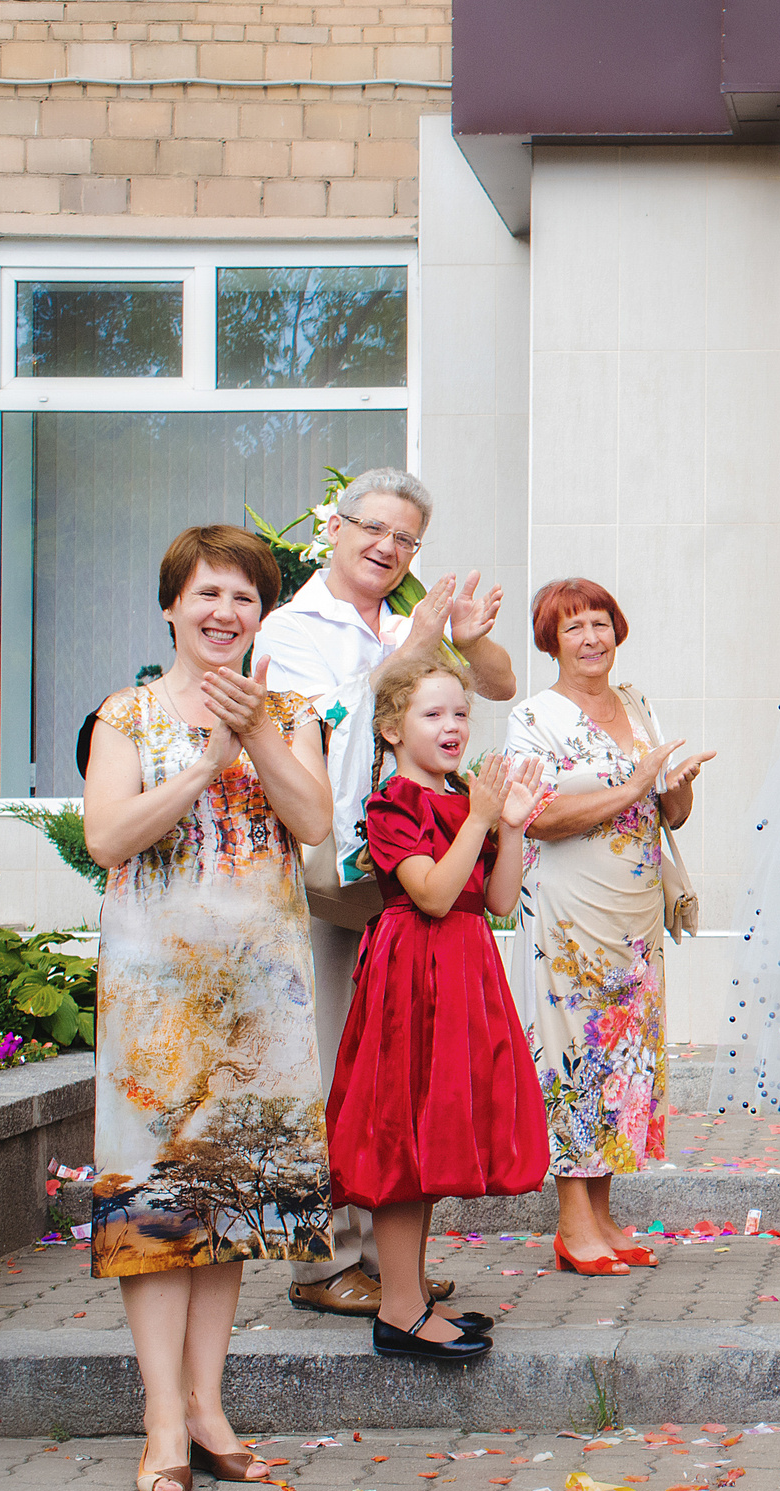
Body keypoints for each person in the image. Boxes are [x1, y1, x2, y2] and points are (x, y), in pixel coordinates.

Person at [81, 525, 335, 1491]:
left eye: (244, 597)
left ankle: (209, 1403)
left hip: (258, 997)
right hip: (157, 999)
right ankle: (160, 1417)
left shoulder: (292, 712)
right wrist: (201, 765)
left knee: (230, 1205)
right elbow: (108, 836)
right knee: (157, 1209)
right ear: (171, 606)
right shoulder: (127, 715)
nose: (225, 612)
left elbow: (314, 826)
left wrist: (257, 736)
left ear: (261, 615)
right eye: (208, 594)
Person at [258, 468, 518, 1319]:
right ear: (335, 525)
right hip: (335, 868)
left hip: (405, 883)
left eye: (406, 538)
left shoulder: (410, 621)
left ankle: (389, 1265)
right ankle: (324, 1259)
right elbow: (332, 714)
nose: (388, 547)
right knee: (335, 1059)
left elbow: (495, 684)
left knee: (394, 1069)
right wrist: (417, 649)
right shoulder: (293, 626)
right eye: (375, 528)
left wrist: (467, 640)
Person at [324, 650, 550, 1360]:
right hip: (411, 975)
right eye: (433, 713)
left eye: (460, 712)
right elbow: (430, 891)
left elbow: (499, 900)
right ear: (392, 728)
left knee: (431, 1135)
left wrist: (508, 823)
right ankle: (398, 1309)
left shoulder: (463, 801)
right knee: (401, 1136)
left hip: (461, 969)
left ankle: (411, 1297)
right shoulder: (393, 801)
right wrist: (479, 820)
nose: (452, 726)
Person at [504, 581, 713, 1274]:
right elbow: (535, 816)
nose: (591, 637)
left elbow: (667, 814)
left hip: (635, 911)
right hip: (571, 910)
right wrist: (632, 787)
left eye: (601, 623)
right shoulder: (535, 717)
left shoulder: (638, 703)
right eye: (575, 627)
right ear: (552, 640)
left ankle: (603, 1212)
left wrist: (674, 785)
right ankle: (571, 1222)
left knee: (624, 1059)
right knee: (576, 1055)